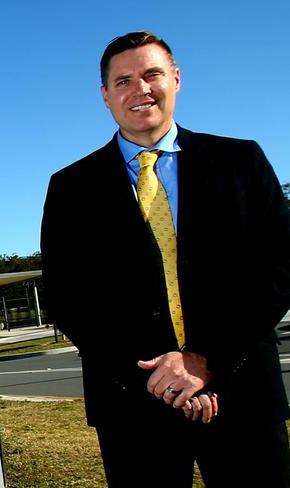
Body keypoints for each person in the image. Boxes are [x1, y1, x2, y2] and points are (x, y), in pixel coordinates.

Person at [40, 31, 290, 487]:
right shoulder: (70, 188)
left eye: (152, 74)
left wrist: (206, 359)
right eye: (123, 81)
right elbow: (66, 296)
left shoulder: (241, 161)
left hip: (243, 394)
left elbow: (278, 267)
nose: (141, 89)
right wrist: (162, 379)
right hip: (132, 407)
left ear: (175, 79)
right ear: (106, 96)